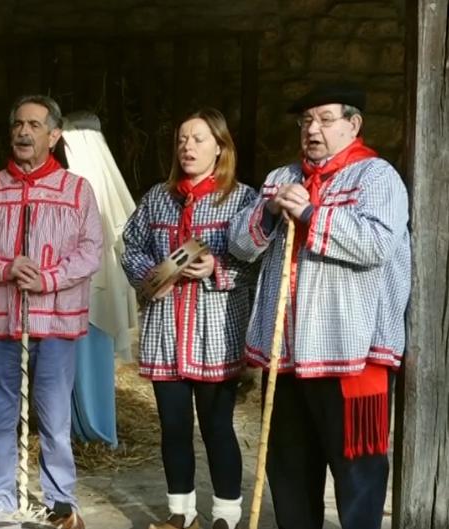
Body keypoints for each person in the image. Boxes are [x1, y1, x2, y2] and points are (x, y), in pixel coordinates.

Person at [228, 82, 410, 529]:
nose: (313, 129)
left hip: (351, 355)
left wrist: (311, 214)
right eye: (306, 121)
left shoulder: (377, 177)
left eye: (326, 119)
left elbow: (376, 244)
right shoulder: (279, 178)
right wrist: (269, 212)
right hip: (286, 354)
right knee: (289, 469)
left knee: (357, 473)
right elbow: (239, 245)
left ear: (354, 124)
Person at [0, 94, 102, 529]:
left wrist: (49, 279)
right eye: (18, 123)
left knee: (54, 417)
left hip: (55, 322)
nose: (23, 132)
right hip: (0, 321)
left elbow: (91, 251)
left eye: (35, 125)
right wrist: (3, 267)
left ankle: (60, 501)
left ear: (54, 136)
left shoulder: (77, 190)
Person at [122, 108, 257, 529]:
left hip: (214, 329)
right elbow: (129, 244)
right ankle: (180, 514)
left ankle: (225, 516)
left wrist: (217, 267)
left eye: (198, 139)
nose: (188, 147)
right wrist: (150, 275)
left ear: (220, 147)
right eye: (182, 139)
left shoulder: (242, 199)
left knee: (217, 426)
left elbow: (258, 259)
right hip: (166, 328)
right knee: (173, 426)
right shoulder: (158, 198)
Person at [61, 111, 140, 447]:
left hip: (90, 288)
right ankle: (81, 428)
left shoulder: (85, 182)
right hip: (74, 287)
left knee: (88, 363)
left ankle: (93, 430)